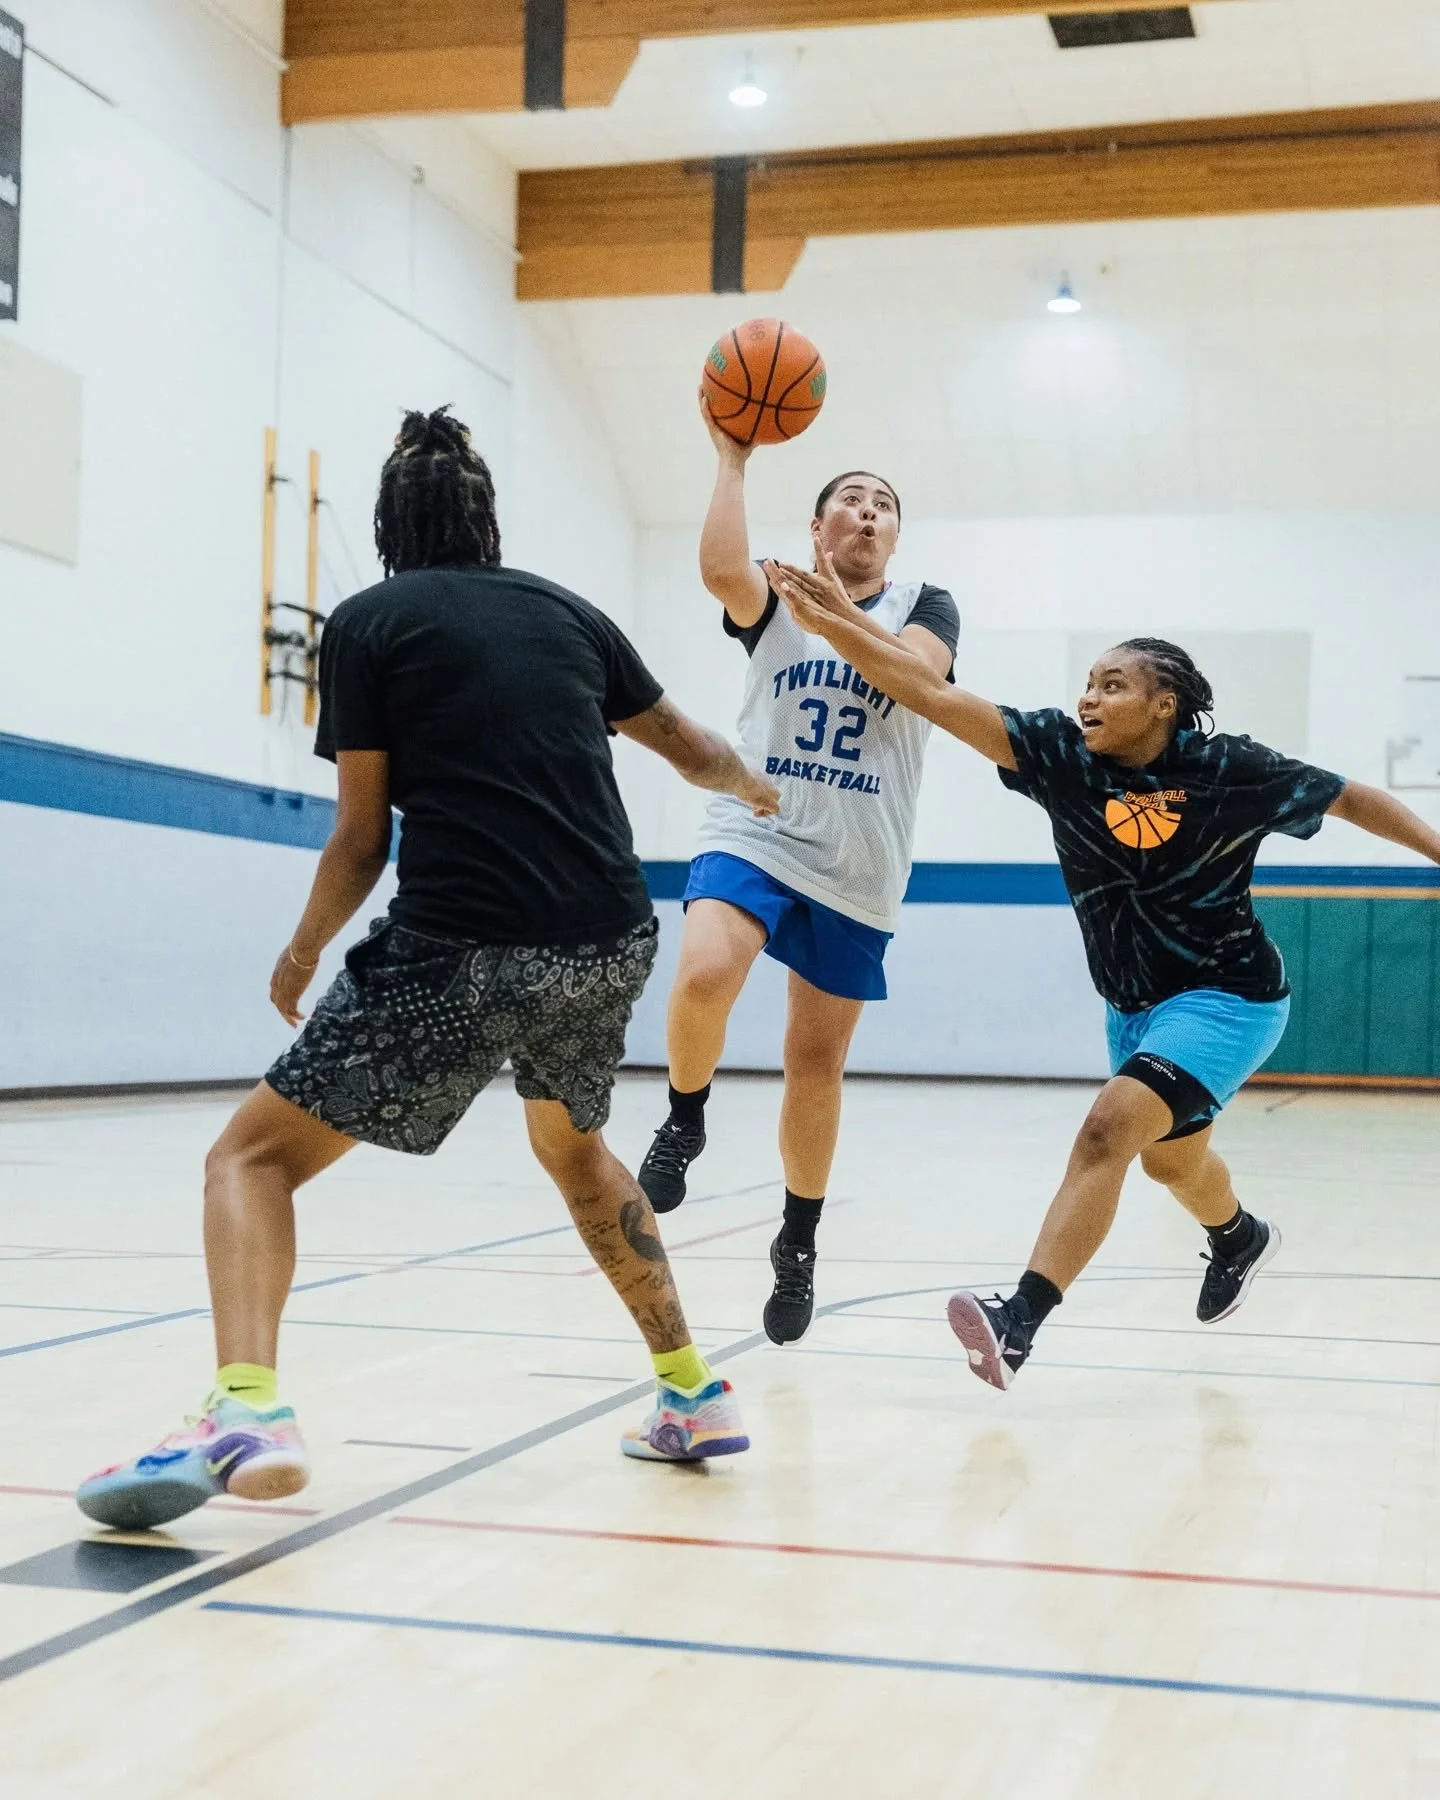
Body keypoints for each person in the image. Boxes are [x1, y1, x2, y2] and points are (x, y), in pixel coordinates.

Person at [77, 408, 781, 1529]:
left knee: (247, 1161)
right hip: (606, 940)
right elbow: (691, 745)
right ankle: (692, 1391)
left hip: (460, 946)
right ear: (487, 518)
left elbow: (362, 838)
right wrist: (752, 787)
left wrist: (304, 948)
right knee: (578, 1151)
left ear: (387, 526)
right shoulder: (568, 611)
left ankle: (246, 1408)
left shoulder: (367, 623)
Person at [770, 551, 1440, 1390]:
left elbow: (1350, 799)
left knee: (1107, 1132)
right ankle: (1239, 1236)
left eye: (1114, 684)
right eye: (1088, 680)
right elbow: (930, 694)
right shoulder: (1057, 752)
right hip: (1132, 1006)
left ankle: (1018, 1321)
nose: (1089, 696)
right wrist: (834, 620)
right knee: (1171, 1161)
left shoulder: (1232, 769)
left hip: (1230, 997)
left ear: (1166, 704)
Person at [635, 395, 959, 1347]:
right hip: (759, 825)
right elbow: (717, 569)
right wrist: (733, 459)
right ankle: (684, 1120)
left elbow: (921, 680)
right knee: (701, 973)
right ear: (817, 526)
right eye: (850, 500)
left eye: (883, 504)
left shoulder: (924, 607)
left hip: (858, 862)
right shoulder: (774, 596)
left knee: (814, 1065)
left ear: (893, 537)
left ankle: (798, 1240)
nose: (867, 512)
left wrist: (832, 615)